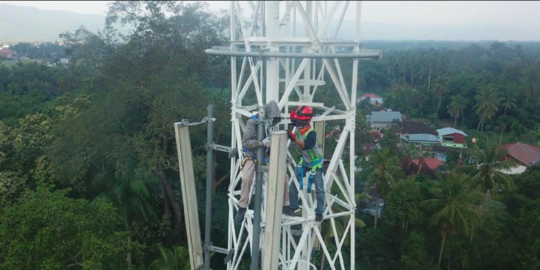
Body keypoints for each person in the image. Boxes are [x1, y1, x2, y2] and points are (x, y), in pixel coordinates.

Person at [235, 100, 293, 223]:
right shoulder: (252, 122)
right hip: (252, 155)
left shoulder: (271, 125)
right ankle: (242, 206)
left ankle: (285, 204)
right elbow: (246, 142)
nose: (272, 120)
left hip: (266, 155)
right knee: (247, 178)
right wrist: (261, 143)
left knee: (284, 177)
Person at [285, 106, 325, 222]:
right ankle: (293, 205)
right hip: (305, 161)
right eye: (298, 121)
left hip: (315, 164)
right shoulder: (299, 127)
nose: (298, 123)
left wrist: (294, 140)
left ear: (307, 120)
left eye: (300, 121)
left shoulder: (311, 133)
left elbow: (306, 145)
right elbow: (293, 121)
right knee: (293, 183)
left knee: (319, 189)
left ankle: (319, 212)